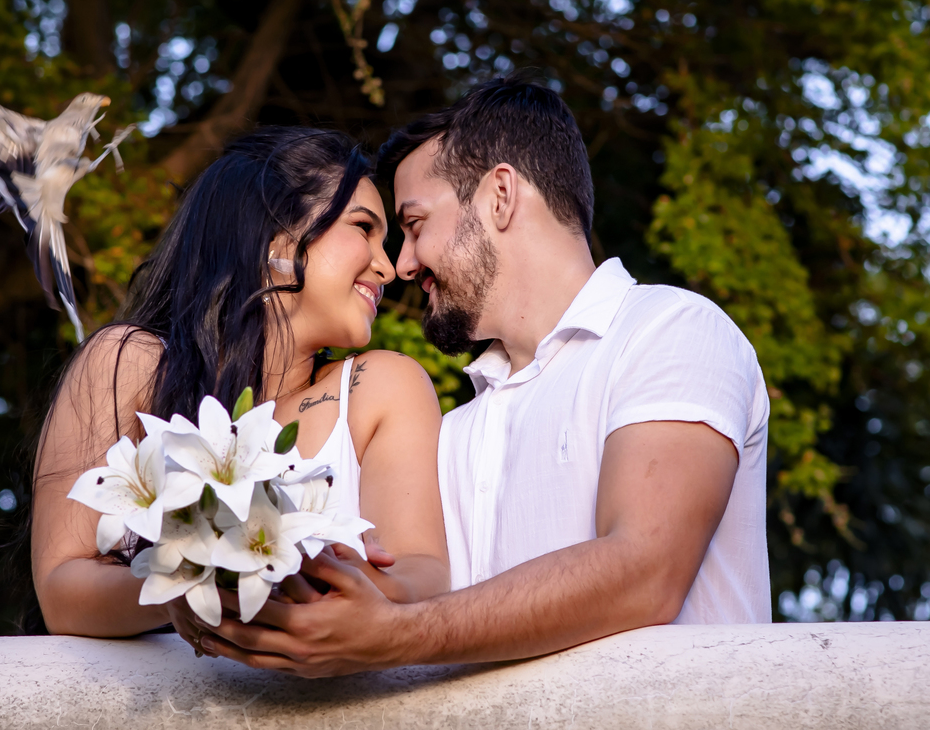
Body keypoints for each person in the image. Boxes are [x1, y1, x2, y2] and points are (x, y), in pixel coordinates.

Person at [191, 76, 772, 676]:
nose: (403, 265)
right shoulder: (453, 433)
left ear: (500, 195)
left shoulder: (668, 329)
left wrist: (394, 635)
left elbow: (646, 572)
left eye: (413, 226)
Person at [29, 127, 450, 639]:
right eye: (363, 228)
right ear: (273, 234)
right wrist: (200, 575)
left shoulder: (378, 387)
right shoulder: (127, 363)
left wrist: (330, 575)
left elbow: (421, 574)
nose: (387, 267)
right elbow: (62, 593)